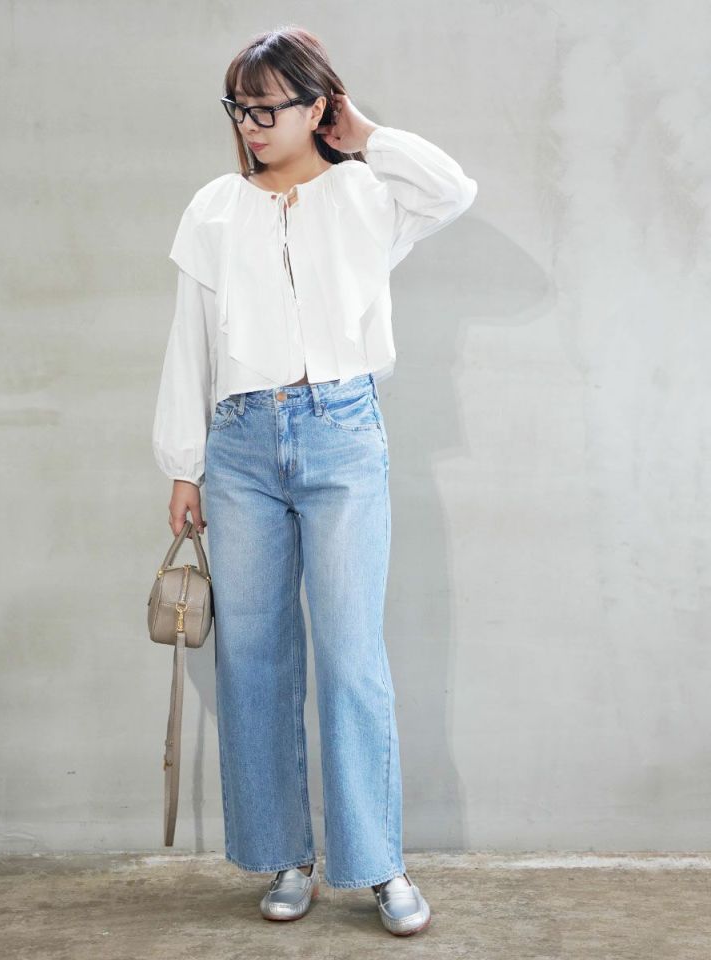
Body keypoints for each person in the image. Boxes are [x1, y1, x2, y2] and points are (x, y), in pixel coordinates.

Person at [152, 26, 477, 937]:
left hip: (342, 434)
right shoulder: (215, 208)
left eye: (268, 108)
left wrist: (363, 133)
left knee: (350, 657)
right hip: (239, 446)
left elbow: (453, 189)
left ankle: (378, 864)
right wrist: (183, 464)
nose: (251, 125)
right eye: (240, 109)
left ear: (317, 105)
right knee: (254, 657)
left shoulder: (367, 195)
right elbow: (189, 338)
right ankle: (285, 857)